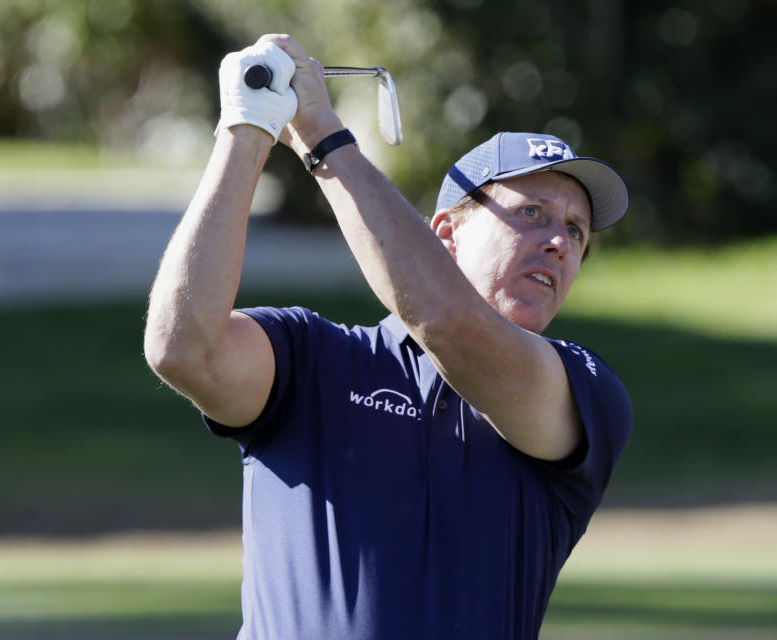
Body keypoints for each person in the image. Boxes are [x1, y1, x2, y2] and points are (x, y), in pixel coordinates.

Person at [144, 33, 633, 640]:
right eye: (531, 212)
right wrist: (247, 130)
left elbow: (449, 324)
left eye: (577, 231)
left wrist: (322, 134)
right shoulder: (314, 357)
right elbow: (182, 348)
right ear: (446, 235)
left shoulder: (584, 391)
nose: (560, 241)